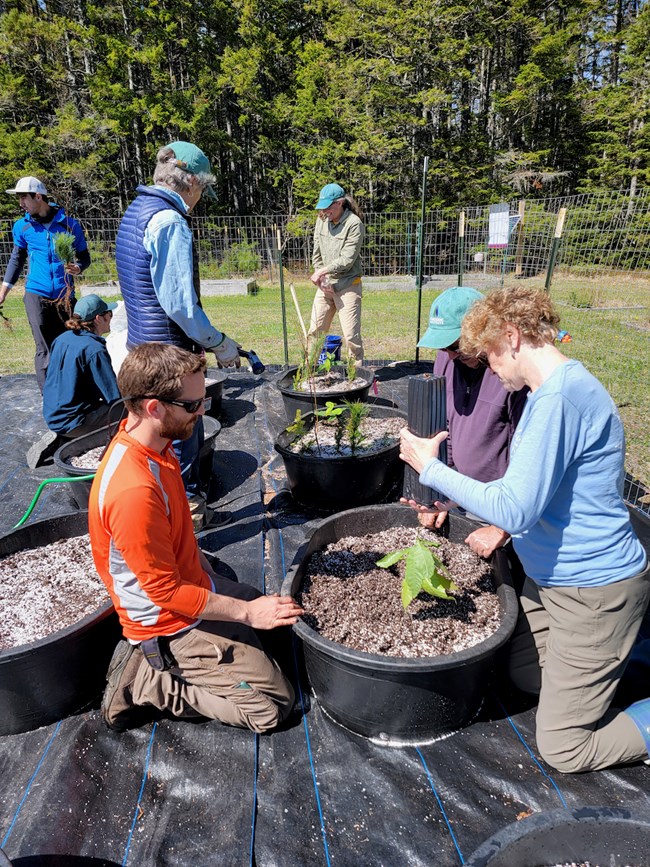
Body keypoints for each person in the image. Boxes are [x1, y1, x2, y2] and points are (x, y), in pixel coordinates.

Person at [399, 286, 650, 774]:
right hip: (549, 580)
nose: (487, 365)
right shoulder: (545, 394)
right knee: (524, 676)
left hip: (594, 588)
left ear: (512, 337)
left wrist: (431, 470)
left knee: (563, 747)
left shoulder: (561, 400)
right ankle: (598, 668)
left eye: (489, 353)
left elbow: (514, 511)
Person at [88, 342, 303, 734]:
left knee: (278, 626)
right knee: (273, 708)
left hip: (189, 586)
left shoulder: (156, 444)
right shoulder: (133, 490)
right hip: (168, 622)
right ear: (154, 408)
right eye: (192, 404)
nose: (202, 410)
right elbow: (166, 594)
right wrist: (247, 611)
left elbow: (176, 532)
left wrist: (212, 575)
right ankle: (151, 682)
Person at [115, 141, 240, 519]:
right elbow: (181, 307)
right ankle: (185, 516)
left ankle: (156, 510)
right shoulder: (170, 222)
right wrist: (220, 343)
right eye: (202, 188)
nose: (200, 197)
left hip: (141, 345)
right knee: (180, 430)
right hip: (169, 354)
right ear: (189, 182)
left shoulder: (136, 210)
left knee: (150, 436)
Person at [411, 285, 529, 559]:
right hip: (457, 493)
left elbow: (530, 470)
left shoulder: (510, 377)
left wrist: (503, 527)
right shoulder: (447, 360)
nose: (450, 354)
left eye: (456, 345)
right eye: (444, 346)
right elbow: (446, 429)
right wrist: (441, 495)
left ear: (483, 332)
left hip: (500, 504)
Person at [0, 176, 91, 392]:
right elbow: (17, 259)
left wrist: (79, 267)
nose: (21, 204)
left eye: (23, 198)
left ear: (38, 196)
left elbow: (84, 256)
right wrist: (4, 290)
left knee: (69, 342)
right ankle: (49, 396)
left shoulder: (69, 225)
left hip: (64, 295)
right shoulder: (22, 227)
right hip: (36, 293)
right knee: (44, 348)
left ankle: (71, 391)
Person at [26, 294, 121, 468]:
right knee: (128, 413)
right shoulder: (94, 349)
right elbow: (113, 397)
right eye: (109, 314)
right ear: (98, 318)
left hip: (53, 413)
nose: (111, 319)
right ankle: (75, 443)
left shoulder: (62, 339)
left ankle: (64, 435)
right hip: (74, 421)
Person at [307, 183, 365, 363]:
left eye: (328, 207)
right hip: (325, 286)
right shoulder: (321, 220)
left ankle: (355, 377)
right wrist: (322, 278)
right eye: (322, 207)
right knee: (315, 332)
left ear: (339, 203)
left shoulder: (354, 224)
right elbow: (316, 252)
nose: (324, 211)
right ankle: (309, 372)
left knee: (351, 337)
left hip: (348, 286)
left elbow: (347, 259)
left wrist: (323, 271)